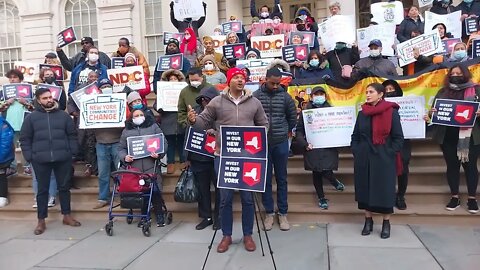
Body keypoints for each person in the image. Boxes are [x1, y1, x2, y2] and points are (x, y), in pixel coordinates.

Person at [187, 67, 268, 253]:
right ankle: (226, 235)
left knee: (248, 198)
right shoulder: (217, 102)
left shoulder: (254, 102)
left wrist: (258, 143)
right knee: (225, 198)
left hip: (248, 158)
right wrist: (193, 121)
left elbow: (264, 124)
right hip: (223, 156)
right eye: (237, 77)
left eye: (243, 78)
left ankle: (248, 234)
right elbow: (203, 122)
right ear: (229, 80)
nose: (240, 80)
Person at [20, 87, 81, 235]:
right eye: (45, 98)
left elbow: (72, 135)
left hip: (63, 158)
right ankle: (41, 220)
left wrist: (72, 153)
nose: (49, 100)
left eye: (50, 97)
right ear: (39, 101)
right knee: (42, 191)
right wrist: (30, 156)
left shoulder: (63, 116)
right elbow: (25, 139)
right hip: (40, 159)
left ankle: (67, 215)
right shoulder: (31, 118)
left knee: (64, 188)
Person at [351, 83, 404, 239]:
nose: (367, 95)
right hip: (364, 157)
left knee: (384, 190)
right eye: (366, 92)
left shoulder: (391, 111)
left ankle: (386, 223)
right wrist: (356, 149)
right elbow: (355, 135)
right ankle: (368, 220)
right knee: (365, 189)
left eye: (371, 92)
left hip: (384, 157)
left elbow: (398, 138)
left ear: (380, 94)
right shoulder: (363, 113)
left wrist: (390, 153)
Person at [425, 64, 479, 213]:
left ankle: (472, 198)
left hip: (470, 137)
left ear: (466, 74)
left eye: (459, 72)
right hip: (448, 136)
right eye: (453, 73)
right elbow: (434, 113)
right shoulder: (443, 92)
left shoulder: (476, 90)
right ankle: (454, 197)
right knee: (452, 166)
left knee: (471, 167)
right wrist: (431, 113)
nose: (455, 75)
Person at [253, 68, 296, 231]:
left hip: (280, 142)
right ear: (265, 80)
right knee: (265, 180)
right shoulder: (256, 96)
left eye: (279, 83)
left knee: (282, 178)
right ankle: (269, 212)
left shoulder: (286, 97)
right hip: (262, 144)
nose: (276, 86)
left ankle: (283, 213)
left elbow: (292, 119)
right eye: (273, 83)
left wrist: (283, 131)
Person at [295, 86, 345, 210]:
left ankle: (333, 181)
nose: (319, 97)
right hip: (312, 147)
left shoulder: (331, 111)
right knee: (316, 171)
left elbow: (338, 128)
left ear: (325, 96)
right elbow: (299, 131)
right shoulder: (306, 113)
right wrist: (304, 143)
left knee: (327, 169)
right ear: (311, 97)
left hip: (328, 146)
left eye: (321, 94)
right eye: (316, 94)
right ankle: (321, 197)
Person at [117, 108, 168, 227]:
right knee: (141, 192)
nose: (139, 116)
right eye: (136, 115)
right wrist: (125, 157)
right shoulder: (126, 131)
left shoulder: (153, 127)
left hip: (151, 165)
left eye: (141, 114)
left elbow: (163, 143)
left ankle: (159, 214)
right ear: (132, 118)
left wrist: (159, 154)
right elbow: (121, 148)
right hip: (135, 168)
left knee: (155, 191)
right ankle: (144, 216)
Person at [188, 86, 221, 230]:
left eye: (208, 99)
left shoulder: (222, 111)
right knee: (203, 189)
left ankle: (219, 217)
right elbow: (187, 134)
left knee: (220, 189)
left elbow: (228, 129)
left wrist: (216, 132)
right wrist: (186, 157)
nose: (205, 102)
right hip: (198, 157)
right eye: (202, 99)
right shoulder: (195, 112)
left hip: (216, 156)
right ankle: (206, 216)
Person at [383, 80, 411, 210]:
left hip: (403, 142)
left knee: (403, 169)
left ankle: (400, 196)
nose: (389, 92)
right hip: (385, 142)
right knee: (387, 170)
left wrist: (424, 119)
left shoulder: (408, 103)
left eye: (391, 89)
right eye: (386, 89)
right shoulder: (378, 105)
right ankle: (389, 195)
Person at [2, 70, 34, 177]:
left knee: (26, 145)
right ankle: (12, 167)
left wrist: (25, 103)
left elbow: (34, 108)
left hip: (25, 123)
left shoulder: (28, 91)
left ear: (20, 79)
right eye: (10, 78)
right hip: (9, 124)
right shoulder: (4, 92)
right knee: (9, 146)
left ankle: (27, 166)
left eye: (14, 77)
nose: (12, 79)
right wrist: (7, 103)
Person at [156, 69, 187, 174]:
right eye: (171, 79)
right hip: (168, 120)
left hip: (181, 119)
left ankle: (184, 161)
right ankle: (170, 163)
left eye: (175, 79)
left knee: (182, 142)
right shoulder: (162, 91)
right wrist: (160, 107)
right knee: (170, 143)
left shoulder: (184, 91)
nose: (173, 80)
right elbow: (156, 104)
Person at [0, 114, 14, 208]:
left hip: (2, 157)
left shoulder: (2, 124)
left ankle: (2, 197)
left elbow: (6, 143)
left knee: (1, 176)